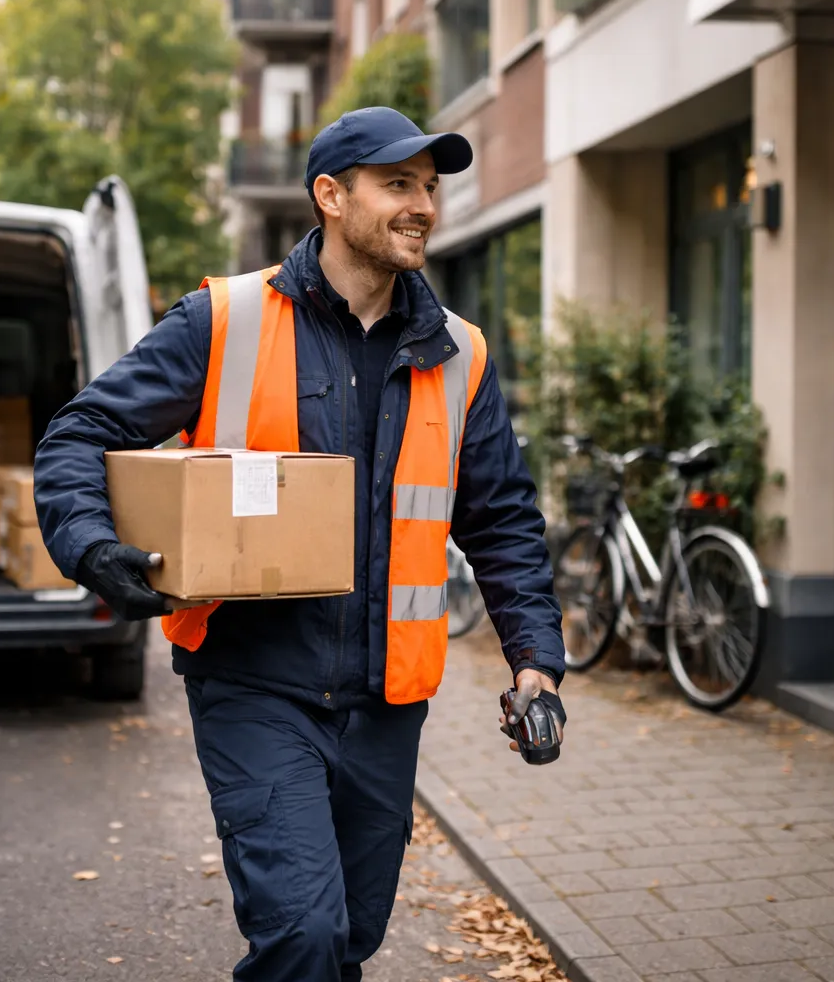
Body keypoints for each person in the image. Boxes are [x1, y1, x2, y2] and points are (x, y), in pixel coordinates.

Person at [33, 106, 568, 982]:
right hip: (254, 684)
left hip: (388, 702)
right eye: (399, 184)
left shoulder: (459, 355)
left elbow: (502, 519)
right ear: (330, 195)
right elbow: (79, 432)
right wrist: (94, 548)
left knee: (349, 936)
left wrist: (535, 662)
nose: (424, 206)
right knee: (303, 937)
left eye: (430, 187)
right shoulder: (227, 320)